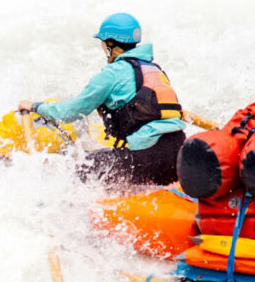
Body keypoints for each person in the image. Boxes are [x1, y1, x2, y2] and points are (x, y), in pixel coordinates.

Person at [18, 13, 187, 187]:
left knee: (79, 170)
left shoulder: (112, 74)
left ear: (110, 44)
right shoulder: (155, 70)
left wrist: (35, 106)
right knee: (105, 157)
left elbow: (69, 112)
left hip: (146, 159)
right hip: (178, 157)